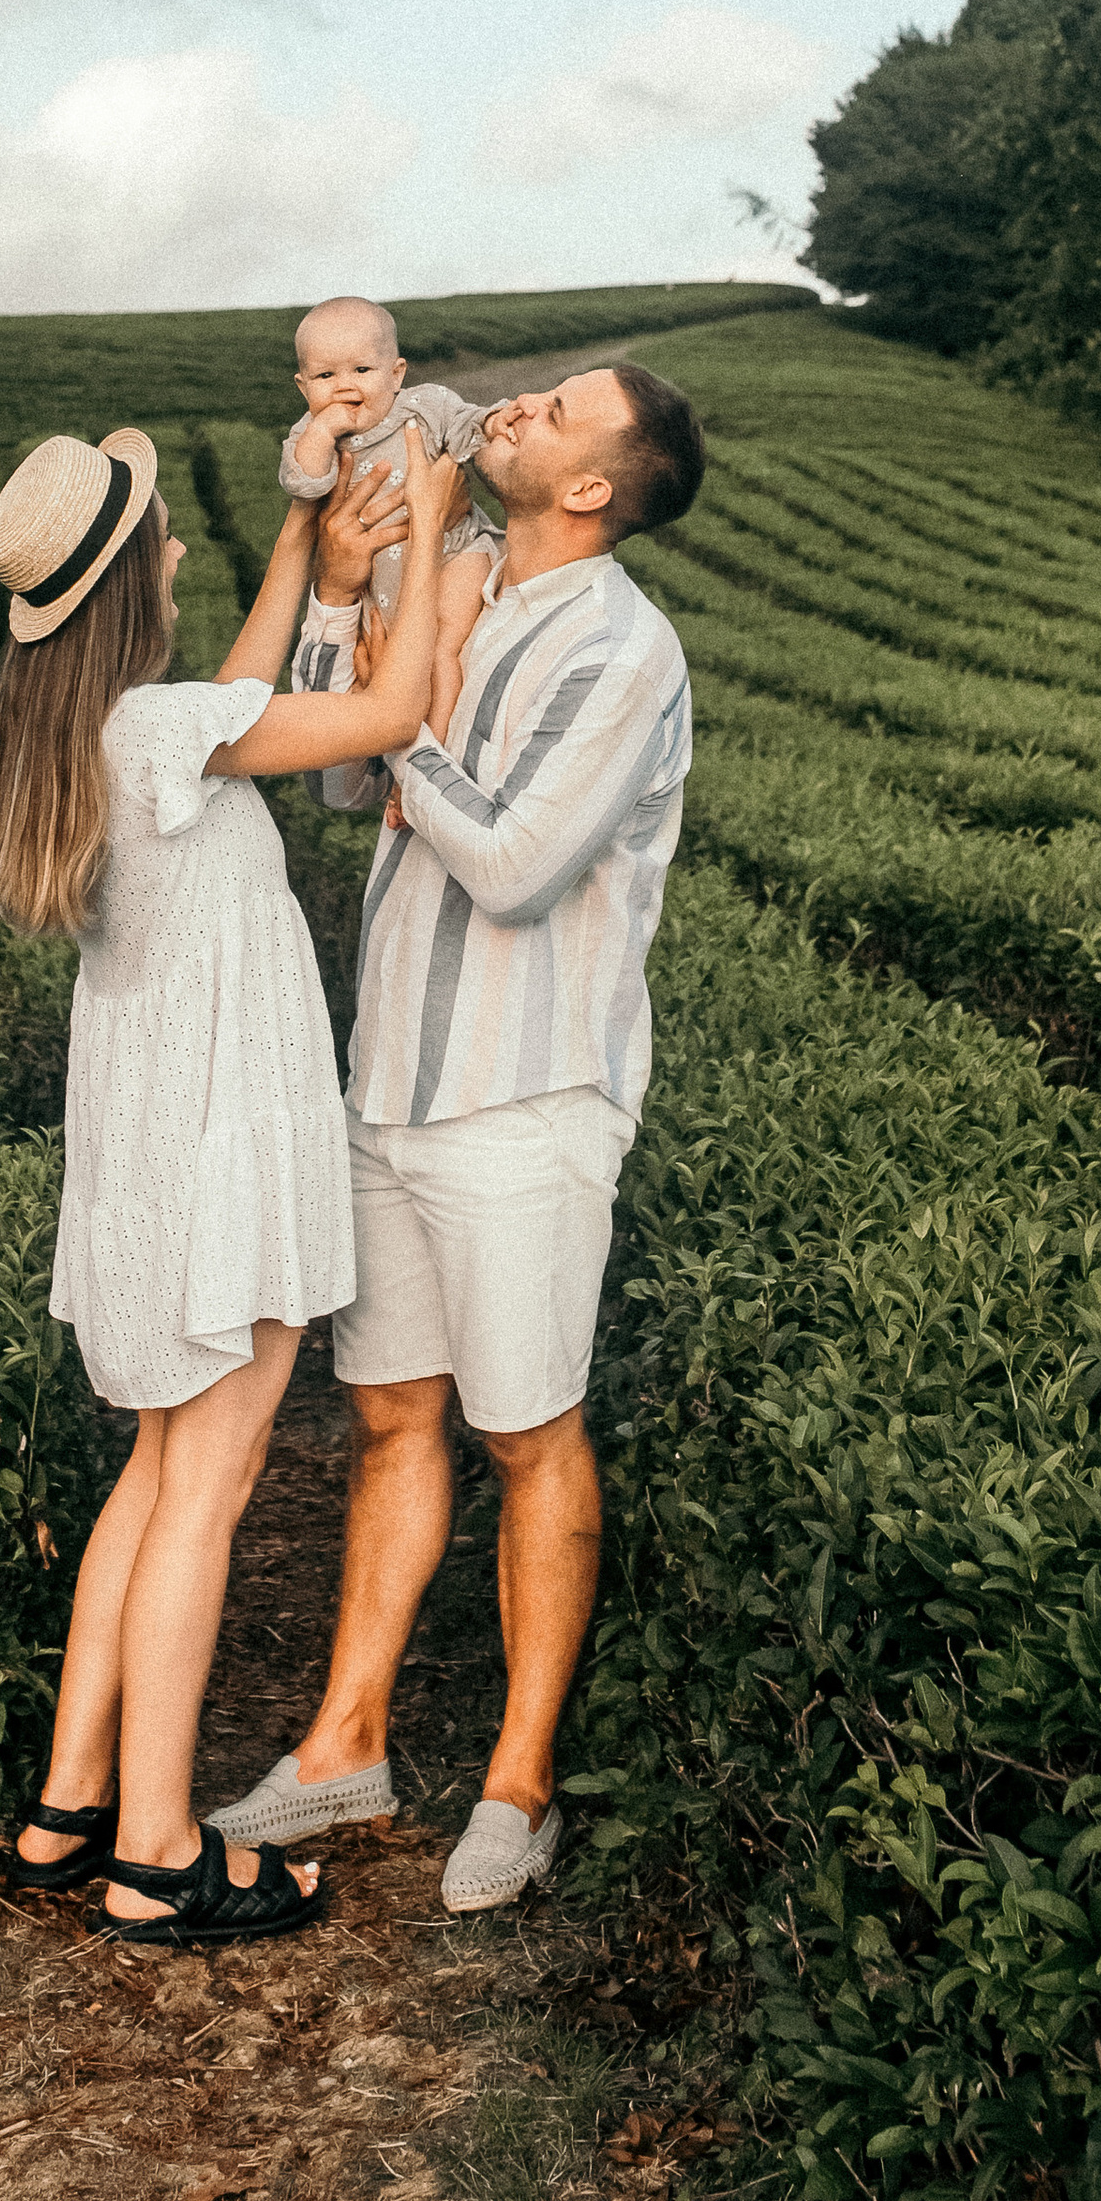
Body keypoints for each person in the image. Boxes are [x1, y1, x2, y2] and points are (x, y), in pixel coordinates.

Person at [207, 361, 706, 1912]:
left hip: (525, 1095)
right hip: (395, 1080)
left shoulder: (624, 648)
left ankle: (519, 1782)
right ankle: (347, 1744)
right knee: (388, 1416)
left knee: (528, 1435)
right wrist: (374, 599)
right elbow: (352, 771)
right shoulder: (470, 571)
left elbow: (510, 863)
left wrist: (409, 688)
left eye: (558, 414)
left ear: (590, 489)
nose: (517, 410)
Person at [0, 416, 463, 1947]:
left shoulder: (92, 724)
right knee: (211, 1487)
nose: (180, 546)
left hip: (144, 1151)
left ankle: (66, 1810)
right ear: (128, 587)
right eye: (166, 536)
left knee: (153, 1473)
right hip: (217, 1153)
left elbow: (230, 695)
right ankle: (158, 1851)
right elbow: (385, 705)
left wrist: (313, 544)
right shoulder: (160, 730)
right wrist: (428, 523)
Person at [277, 292, 500, 627]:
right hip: (374, 582)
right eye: (325, 376)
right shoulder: (310, 432)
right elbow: (303, 483)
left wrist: (492, 421)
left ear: (396, 375)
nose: (344, 385)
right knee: (382, 646)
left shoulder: (425, 405)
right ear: (303, 387)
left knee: (453, 640)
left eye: (361, 370)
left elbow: (464, 425)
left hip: (451, 554)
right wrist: (323, 431)